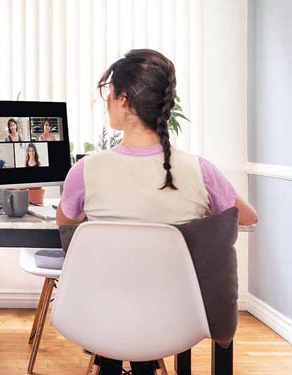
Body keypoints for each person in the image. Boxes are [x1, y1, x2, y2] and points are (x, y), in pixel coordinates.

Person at [56, 49, 258, 375]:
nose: (107, 100)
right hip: (176, 320)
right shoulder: (199, 172)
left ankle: (111, 361)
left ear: (123, 99)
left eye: (109, 92)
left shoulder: (86, 171)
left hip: (98, 315)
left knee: (118, 301)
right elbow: (247, 217)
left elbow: (65, 224)